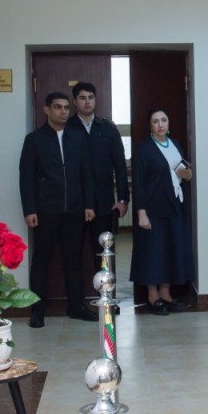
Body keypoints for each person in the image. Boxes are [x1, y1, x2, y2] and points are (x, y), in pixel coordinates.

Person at [18, 92, 96, 327]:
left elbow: (87, 174)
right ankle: (38, 310)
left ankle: (76, 306)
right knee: (41, 260)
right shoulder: (34, 140)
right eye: (57, 107)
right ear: (46, 110)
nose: (63, 111)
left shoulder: (78, 138)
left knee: (73, 260)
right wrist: (29, 209)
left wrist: (89, 204)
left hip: (75, 210)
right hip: (45, 211)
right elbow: (26, 177)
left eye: (65, 107)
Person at [131, 108, 195, 314]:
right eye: (156, 121)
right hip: (153, 209)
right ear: (150, 126)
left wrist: (187, 174)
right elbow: (139, 183)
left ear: (168, 123)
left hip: (175, 205)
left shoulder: (175, 144)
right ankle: (152, 295)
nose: (160, 124)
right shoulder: (145, 149)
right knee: (154, 252)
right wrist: (141, 212)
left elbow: (183, 172)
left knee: (171, 249)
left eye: (164, 120)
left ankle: (166, 293)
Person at [68, 82, 130, 278]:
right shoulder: (67, 128)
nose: (87, 102)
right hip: (75, 202)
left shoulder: (108, 128)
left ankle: (108, 299)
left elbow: (120, 165)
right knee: (73, 254)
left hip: (104, 202)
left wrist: (122, 199)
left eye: (91, 97)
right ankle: (77, 303)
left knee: (104, 252)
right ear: (75, 101)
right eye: (83, 98)